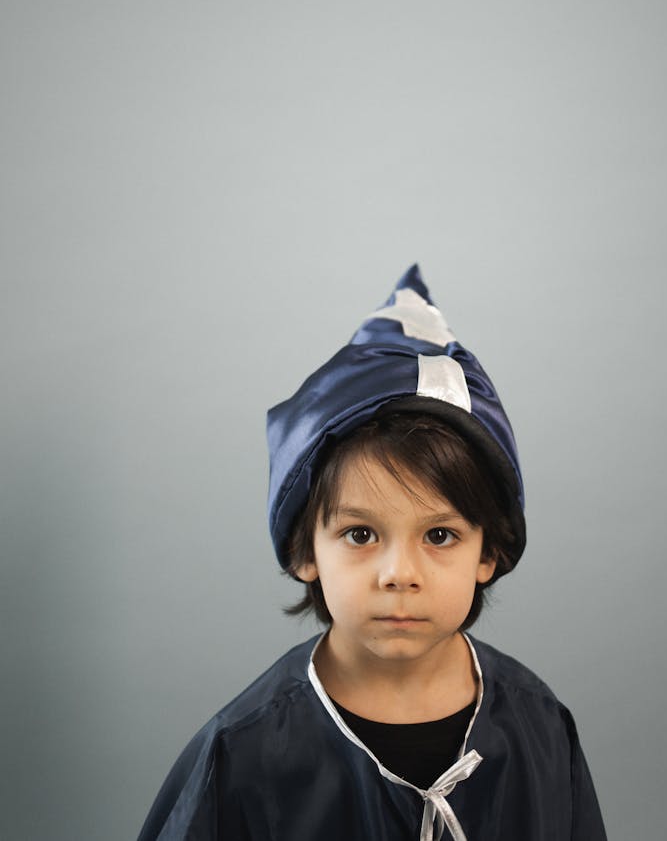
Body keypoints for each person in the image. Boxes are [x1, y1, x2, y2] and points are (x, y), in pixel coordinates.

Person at [136, 265, 607, 840]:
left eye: (439, 536)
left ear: (489, 552)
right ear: (304, 551)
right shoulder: (245, 753)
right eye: (361, 535)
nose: (399, 575)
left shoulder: (539, 727)